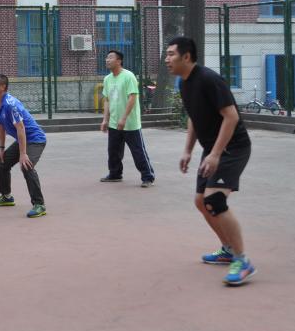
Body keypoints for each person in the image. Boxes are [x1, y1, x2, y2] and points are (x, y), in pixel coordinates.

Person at [165, 36, 255, 286]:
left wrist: (215, 154)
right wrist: (188, 150)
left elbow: (231, 117)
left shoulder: (208, 79)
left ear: (186, 56)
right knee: (200, 201)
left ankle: (243, 261)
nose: (167, 59)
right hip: (213, 148)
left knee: (214, 200)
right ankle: (228, 249)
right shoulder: (184, 83)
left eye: (171, 54)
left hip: (233, 147)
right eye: (166, 54)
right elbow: (194, 117)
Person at [0, 74, 48, 218]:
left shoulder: (11, 104)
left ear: (3, 87)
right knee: (2, 162)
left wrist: (23, 154)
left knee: (26, 165)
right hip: (23, 139)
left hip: (35, 139)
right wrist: (1, 149)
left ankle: (39, 204)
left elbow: (21, 128)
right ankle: (6, 196)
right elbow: (0, 126)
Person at [99, 49, 156, 187]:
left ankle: (148, 177)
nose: (107, 60)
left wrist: (124, 118)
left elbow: (132, 97)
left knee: (138, 151)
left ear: (119, 61)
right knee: (113, 151)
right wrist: (105, 119)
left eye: (110, 57)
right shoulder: (107, 79)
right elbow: (107, 100)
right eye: (107, 58)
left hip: (130, 124)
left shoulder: (128, 76)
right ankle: (115, 174)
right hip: (114, 123)